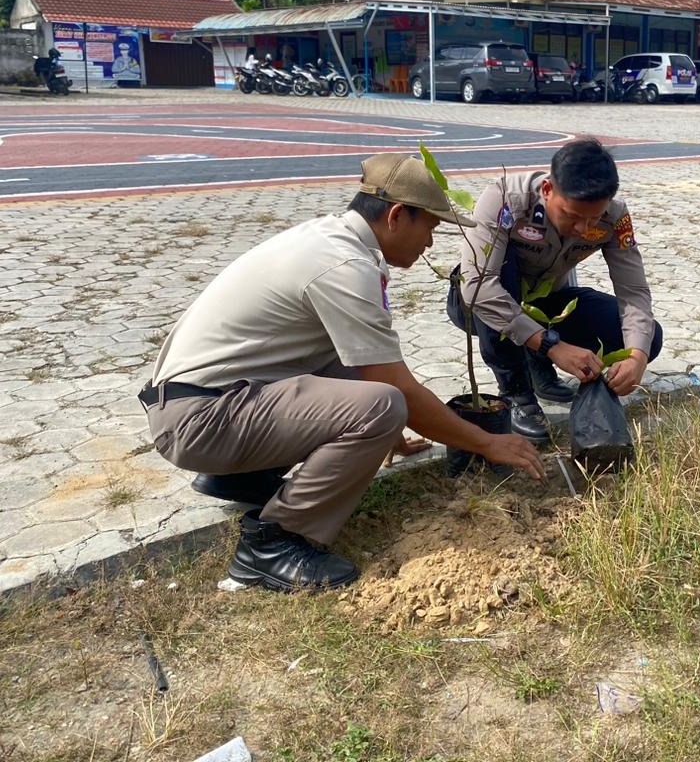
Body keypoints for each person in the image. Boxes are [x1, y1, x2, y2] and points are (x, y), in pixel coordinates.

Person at [140, 154, 546, 593]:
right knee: (383, 404)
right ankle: (272, 545)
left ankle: (240, 475)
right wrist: (487, 441)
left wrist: (383, 433)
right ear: (396, 216)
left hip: (204, 402)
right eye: (429, 227)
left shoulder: (330, 240)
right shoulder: (344, 266)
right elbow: (394, 389)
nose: (430, 243)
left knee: (369, 388)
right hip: (199, 420)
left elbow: (352, 362)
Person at [447, 137, 663, 442]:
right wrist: (554, 346)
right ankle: (518, 393)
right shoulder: (506, 199)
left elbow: (634, 291)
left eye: (594, 218)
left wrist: (637, 357)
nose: (585, 229)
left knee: (649, 336)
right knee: (497, 277)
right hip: (478, 303)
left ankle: (537, 363)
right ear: (548, 190)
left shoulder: (616, 217)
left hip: (545, 302)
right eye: (573, 217)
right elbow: (478, 288)